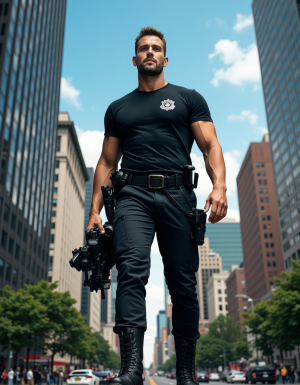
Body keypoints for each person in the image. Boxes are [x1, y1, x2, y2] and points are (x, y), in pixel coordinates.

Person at [87, 27, 227, 385]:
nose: (150, 53)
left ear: (165, 59)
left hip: (178, 197)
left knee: (182, 283)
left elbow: (211, 145)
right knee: (131, 274)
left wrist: (220, 185)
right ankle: (131, 369)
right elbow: (106, 161)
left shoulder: (187, 98)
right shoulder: (118, 108)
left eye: (156, 49)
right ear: (135, 59)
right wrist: (94, 212)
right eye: (144, 49)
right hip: (132, 195)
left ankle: (185, 372)